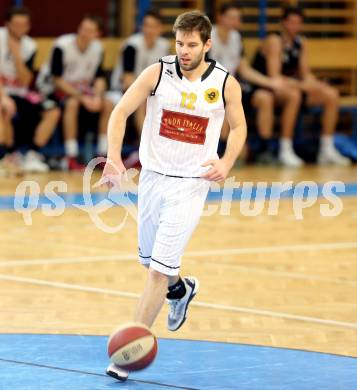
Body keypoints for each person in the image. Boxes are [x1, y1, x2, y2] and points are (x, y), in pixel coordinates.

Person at [101, 11, 247, 381]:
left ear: (207, 44)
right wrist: (115, 159)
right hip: (151, 180)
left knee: (155, 273)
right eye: (179, 43)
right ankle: (180, 290)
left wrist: (227, 160)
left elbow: (240, 126)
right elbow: (119, 113)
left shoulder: (225, 84)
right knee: (150, 262)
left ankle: (126, 355)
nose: (184, 50)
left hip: (190, 184)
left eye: (192, 45)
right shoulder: (157, 73)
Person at [252, 6, 351, 166]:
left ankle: (326, 149)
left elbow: (305, 73)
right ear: (283, 23)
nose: (294, 26)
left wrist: (315, 83)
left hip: (292, 86)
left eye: (298, 23)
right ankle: (285, 149)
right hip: (268, 88)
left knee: (331, 94)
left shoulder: (301, 42)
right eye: (291, 22)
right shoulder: (274, 40)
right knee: (294, 95)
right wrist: (303, 85)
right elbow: (274, 76)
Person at [210, 2, 304, 166]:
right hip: (209, 88)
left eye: (238, 18)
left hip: (232, 86)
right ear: (220, 17)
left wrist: (271, 83)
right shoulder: (207, 36)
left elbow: (245, 69)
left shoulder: (236, 38)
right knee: (226, 101)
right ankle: (222, 150)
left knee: (264, 98)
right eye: (232, 17)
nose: (236, 21)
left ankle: (264, 150)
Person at [37, 15, 112, 170]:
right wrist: (82, 97)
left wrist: (97, 97)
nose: (84, 33)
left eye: (90, 31)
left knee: (108, 104)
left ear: (97, 34)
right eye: (83, 29)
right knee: (72, 103)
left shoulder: (98, 49)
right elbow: (57, 80)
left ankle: (103, 155)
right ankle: (71, 156)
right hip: (51, 89)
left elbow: (99, 78)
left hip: (81, 92)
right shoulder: (62, 45)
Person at [0, 6, 60, 173]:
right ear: (7, 24)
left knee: (52, 110)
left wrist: (16, 54)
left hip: (20, 93)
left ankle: (32, 154)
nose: (20, 29)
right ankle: (7, 155)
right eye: (16, 25)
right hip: (2, 93)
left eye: (23, 25)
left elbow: (26, 80)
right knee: (4, 107)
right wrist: (3, 97)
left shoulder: (30, 45)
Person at [107, 9, 170, 168]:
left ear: (160, 29)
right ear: (142, 27)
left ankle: (167, 150)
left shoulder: (164, 46)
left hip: (152, 91)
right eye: (146, 25)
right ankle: (147, 149)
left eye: (154, 26)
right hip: (121, 90)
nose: (149, 30)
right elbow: (127, 79)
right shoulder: (132, 45)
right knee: (144, 101)